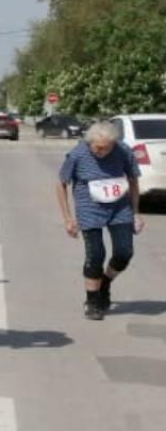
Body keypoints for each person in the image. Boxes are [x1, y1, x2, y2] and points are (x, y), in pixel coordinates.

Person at [56, 121, 143, 320]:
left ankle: (105, 282)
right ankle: (93, 302)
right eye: (96, 146)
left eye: (105, 147)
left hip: (119, 207)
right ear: (90, 142)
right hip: (89, 208)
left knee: (124, 252)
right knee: (96, 255)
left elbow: (133, 181)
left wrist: (136, 212)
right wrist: (67, 218)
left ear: (114, 143)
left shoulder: (123, 151)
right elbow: (61, 183)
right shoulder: (78, 154)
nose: (100, 150)